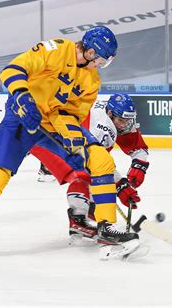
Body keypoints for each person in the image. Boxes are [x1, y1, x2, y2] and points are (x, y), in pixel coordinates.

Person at [0, 26, 139, 257]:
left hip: (52, 126)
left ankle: (107, 227)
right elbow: (12, 70)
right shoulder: (56, 49)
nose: (99, 65)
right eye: (100, 60)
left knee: (100, 159)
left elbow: (71, 114)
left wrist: (71, 135)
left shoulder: (91, 81)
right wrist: (23, 98)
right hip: (20, 118)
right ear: (90, 51)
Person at [29, 93, 149, 241]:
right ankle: (78, 219)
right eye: (121, 120)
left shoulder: (112, 115)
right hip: (47, 140)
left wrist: (139, 165)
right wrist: (119, 183)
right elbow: (93, 163)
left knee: (93, 178)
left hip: (59, 136)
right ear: (110, 114)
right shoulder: (102, 126)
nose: (125, 125)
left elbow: (136, 147)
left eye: (128, 120)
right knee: (83, 173)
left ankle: (89, 211)